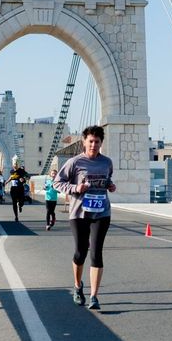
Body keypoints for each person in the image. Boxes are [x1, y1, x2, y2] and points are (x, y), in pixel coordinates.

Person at [53, 125, 117, 311]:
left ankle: (94, 296)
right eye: (90, 141)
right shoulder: (74, 162)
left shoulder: (107, 162)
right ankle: (77, 285)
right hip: (79, 213)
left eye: (97, 142)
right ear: (84, 142)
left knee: (96, 253)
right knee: (80, 252)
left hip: (101, 212)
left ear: (101, 143)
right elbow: (57, 183)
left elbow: (107, 179)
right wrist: (75, 188)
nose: (93, 145)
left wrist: (110, 185)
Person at [7, 158, 29, 222]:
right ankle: (16, 216)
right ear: (12, 165)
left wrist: (23, 179)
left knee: (21, 202)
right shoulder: (11, 171)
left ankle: (20, 205)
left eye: (16, 164)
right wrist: (6, 182)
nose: (15, 165)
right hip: (13, 189)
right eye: (14, 164)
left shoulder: (21, 171)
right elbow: (11, 177)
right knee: (14, 203)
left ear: (18, 165)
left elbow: (28, 176)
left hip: (20, 188)